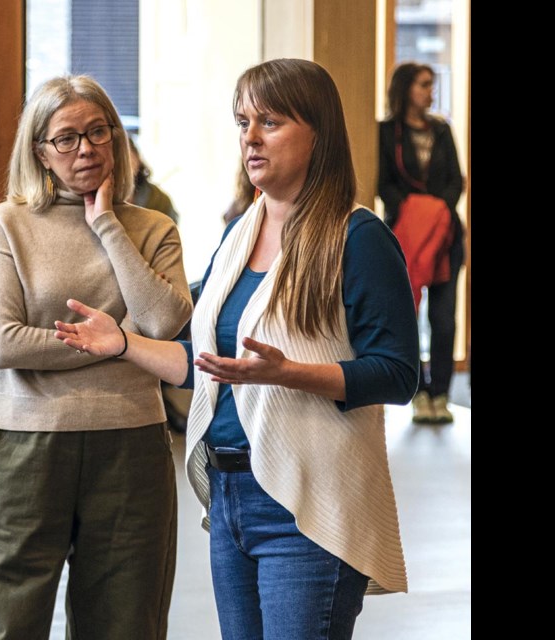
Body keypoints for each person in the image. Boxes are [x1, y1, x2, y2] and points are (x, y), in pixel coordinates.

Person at [55, 59, 419, 639]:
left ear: (317, 132)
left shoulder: (358, 236)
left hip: (306, 505)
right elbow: (209, 369)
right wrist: (122, 342)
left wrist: (291, 373)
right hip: (230, 497)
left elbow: (399, 374)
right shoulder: (238, 234)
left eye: (269, 121)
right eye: (242, 121)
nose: (249, 137)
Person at [0, 75, 193, 640]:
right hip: (30, 444)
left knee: (126, 621)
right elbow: (6, 343)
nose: (85, 148)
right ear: (39, 151)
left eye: (97, 132)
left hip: (133, 442)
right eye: (66, 138)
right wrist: (115, 342)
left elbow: (165, 322)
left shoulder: (152, 228)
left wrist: (107, 224)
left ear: (116, 138)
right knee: (3, 618)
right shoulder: (6, 225)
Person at [378, 62, 464, 424]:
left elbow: (455, 183)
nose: (431, 91)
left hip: (445, 237)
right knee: (406, 316)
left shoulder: (442, 131)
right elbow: (385, 185)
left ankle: (441, 393)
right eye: (424, 85)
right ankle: (415, 392)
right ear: (406, 89)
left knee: (443, 319)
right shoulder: (385, 132)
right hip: (403, 238)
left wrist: (434, 213)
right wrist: (413, 212)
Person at [128, 136, 180, 224]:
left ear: (137, 158)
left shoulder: (159, 199)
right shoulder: (99, 200)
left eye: (128, 158)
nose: (124, 167)